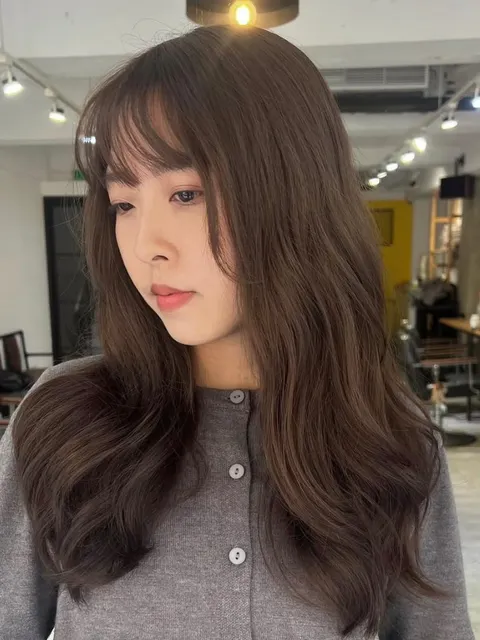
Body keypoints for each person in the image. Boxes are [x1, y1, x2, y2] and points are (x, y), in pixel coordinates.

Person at [0, 25, 474, 640]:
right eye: (124, 204)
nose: (145, 246)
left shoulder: (387, 438)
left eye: (186, 193)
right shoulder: (65, 420)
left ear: (294, 195)